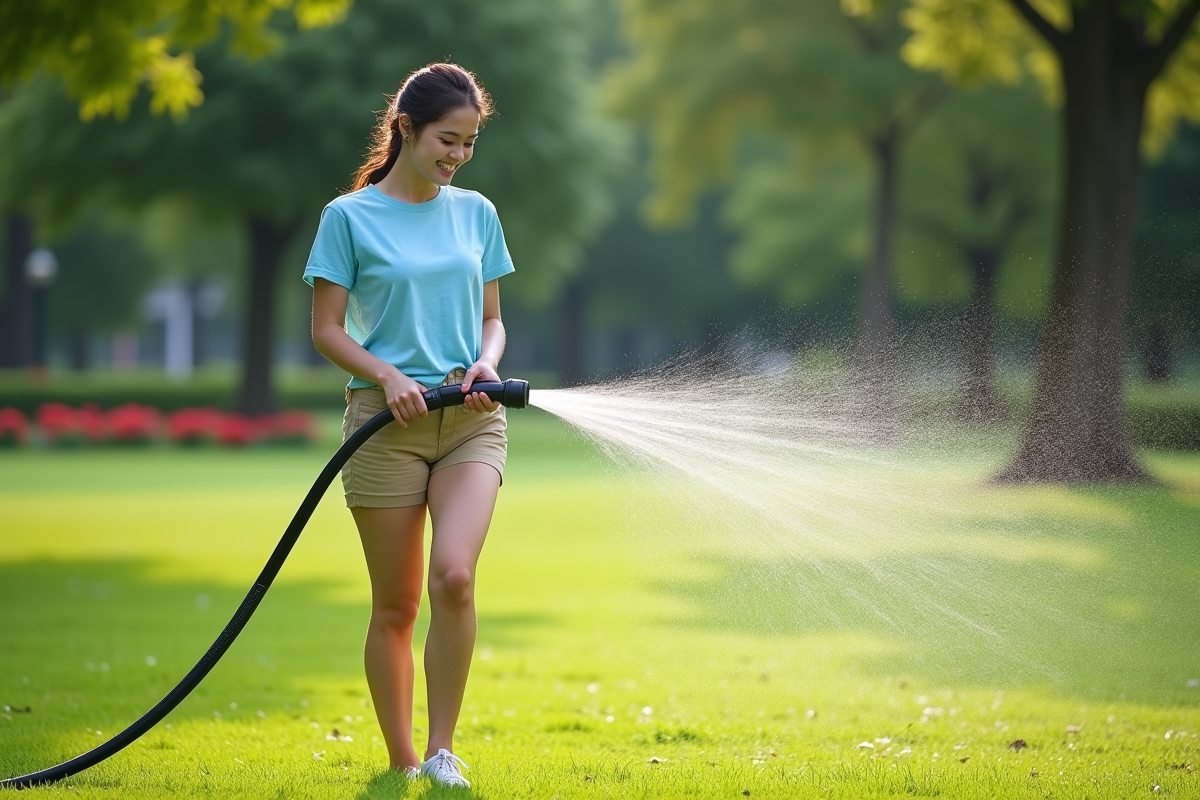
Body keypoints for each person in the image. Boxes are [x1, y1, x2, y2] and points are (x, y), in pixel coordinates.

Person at [304, 63, 513, 789]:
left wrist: (486, 364)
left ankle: (441, 749)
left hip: (469, 421)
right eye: (448, 140)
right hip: (383, 426)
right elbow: (327, 330)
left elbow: (492, 320)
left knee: (454, 576)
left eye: (470, 142)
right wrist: (388, 376)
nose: (459, 155)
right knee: (396, 604)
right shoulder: (348, 218)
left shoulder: (477, 213)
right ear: (405, 128)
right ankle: (400, 762)